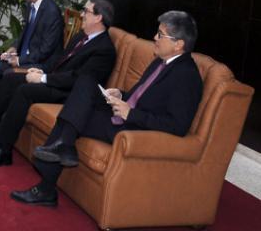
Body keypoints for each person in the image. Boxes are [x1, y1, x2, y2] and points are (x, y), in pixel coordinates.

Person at [11, 11, 202, 207]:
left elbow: (177, 125)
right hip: (124, 113)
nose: (155, 38)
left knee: (73, 117)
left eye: (161, 35)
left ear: (179, 44)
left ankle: (46, 186)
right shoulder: (160, 62)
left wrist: (131, 113)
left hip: (135, 128)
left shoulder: (187, 76)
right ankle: (64, 147)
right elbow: (142, 95)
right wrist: (120, 94)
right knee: (86, 82)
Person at [0, 0, 117, 168]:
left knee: (25, 91)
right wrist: (42, 72)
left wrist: (43, 79)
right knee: (10, 77)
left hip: (70, 95)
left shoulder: (104, 50)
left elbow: (78, 79)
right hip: (57, 81)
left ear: (98, 18)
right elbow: (61, 61)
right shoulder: (82, 37)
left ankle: (3, 151)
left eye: (86, 11)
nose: (82, 15)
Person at [0, 0, 63, 106]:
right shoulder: (30, 5)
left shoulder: (52, 12)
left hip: (42, 64)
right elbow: (26, 32)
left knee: (8, 73)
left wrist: (20, 61)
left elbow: (46, 50)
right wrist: (14, 47)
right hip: (29, 57)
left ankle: (0, 113)